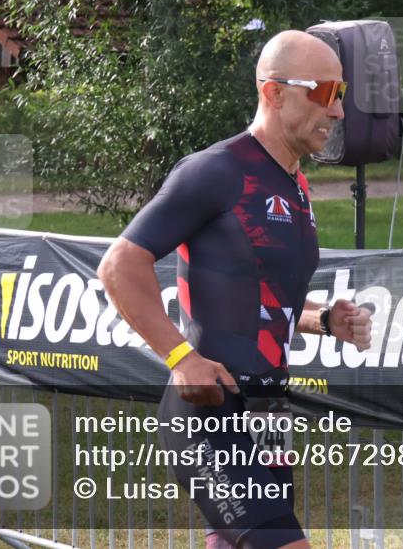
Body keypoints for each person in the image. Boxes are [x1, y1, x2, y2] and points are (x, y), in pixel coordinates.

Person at [98, 30, 373, 549]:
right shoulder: (217, 170)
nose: (338, 111)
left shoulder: (294, 183)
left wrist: (322, 320)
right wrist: (181, 358)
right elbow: (120, 265)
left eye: (341, 94)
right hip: (210, 414)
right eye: (325, 93)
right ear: (274, 92)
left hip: (268, 414)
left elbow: (256, 290)